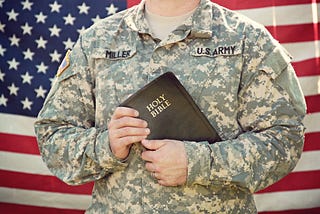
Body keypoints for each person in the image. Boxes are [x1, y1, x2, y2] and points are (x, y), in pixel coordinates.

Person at [34, 0, 306, 213]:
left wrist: (197, 163)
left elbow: (284, 139)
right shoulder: (97, 41)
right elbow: (52, 135)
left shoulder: (249, 40)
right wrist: (107, 146)